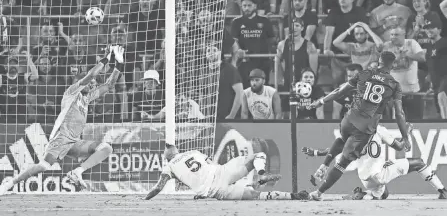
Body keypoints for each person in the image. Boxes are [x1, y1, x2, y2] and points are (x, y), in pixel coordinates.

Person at [0, 45, 125, 195]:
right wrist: (107, 59)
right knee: (44, 166)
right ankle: (9, 184)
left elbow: (109, 86)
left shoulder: (87, 98)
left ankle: (77, 172)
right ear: (81, 82)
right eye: (90, 83)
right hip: (61, 137)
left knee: (106, 148)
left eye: (94, 84)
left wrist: (119, 63)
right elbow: (91, 75)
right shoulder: (71, 92)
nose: (93, 84)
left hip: (73, 142)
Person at [307, 51, 411, 201]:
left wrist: (321, 101)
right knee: (343, 163)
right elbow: (399, 113)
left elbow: (339, 91)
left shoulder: (364, 73)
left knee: (342, 139)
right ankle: (318, 193)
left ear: (378, 60)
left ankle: (324, 165)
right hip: (365, 127)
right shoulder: (394, 85)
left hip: (349, 119)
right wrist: (406, 137)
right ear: (392, 64)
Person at [302, 124, 447, 200]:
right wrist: (406, 132)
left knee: (383, 194)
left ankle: (365, 195)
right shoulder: (379, 130)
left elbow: (337, 148)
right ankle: (443, 191)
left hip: (365, 178)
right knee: (419, 163)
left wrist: (317, 153)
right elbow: (400, 146)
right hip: (380, 174)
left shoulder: (353, 133)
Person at [144, 144, 310, 201]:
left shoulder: (169, 167)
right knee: (258, 155)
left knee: (255, 196)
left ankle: (290, 196)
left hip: (217, 191)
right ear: (177, 150)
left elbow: (158, 188)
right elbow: (210, 164)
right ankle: (259, 172)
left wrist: (145, 198)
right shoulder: (194, 153)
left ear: (167, 157)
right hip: (223, 171)